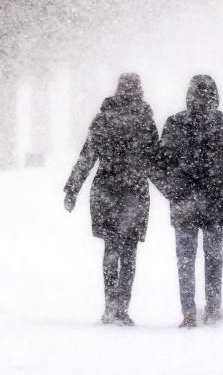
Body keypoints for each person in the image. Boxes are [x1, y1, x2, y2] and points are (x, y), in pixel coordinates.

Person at [64, 73, 159, 326]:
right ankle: (122, 309)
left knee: (111, 249)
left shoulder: (103, 118)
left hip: (106, 187)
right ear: (139, 90)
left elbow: (88, 156)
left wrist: (72, 189)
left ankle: (109, 306)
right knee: (129, 252)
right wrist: (173, 192)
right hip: (134, 191)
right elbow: (155, 162)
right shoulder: (145, 120)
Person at [158, 75, 223, 328]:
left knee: (186, 260)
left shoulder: (176, 123)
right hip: (215, 200)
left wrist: (171, 188)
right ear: (216, 96)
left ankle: (189, 312)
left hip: (184, 202)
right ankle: (213, 308)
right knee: (214, 258)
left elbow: (160, 163)